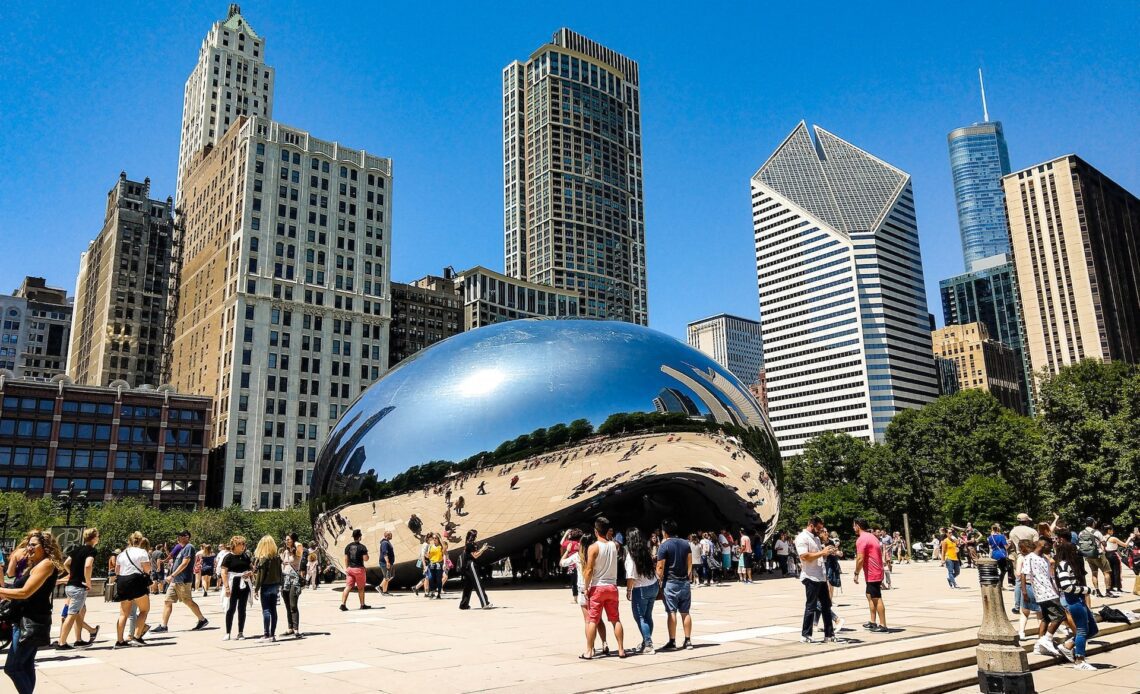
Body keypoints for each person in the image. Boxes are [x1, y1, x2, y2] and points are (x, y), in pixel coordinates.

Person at [0, 530, 63, 694]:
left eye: (34, 544)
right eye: (28, 544)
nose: (29, 548)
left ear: (46, 546)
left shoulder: (47, 564)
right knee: (25, 665)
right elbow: (18, 588)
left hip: (31, 622)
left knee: (13, 668)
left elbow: (25, 592)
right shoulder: (35, 565)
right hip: (24, 620)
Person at [581, 516, 625, 659]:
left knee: (593, 619)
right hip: (612, 586)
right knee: (615, 619)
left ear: (595, 531)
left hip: (598, 587)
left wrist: (586, 587)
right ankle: (621, 649)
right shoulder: (615, 546)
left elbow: (588, 570)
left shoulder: (593, 548)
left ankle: (589, 650)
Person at [1054, 536, 1098, 670]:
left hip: (1078, 598)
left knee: (1092, 629)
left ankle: (1068, 645)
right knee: (1082, 630)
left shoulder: (1069, 564)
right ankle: (1079, 660)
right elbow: (1066, 586)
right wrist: (1087, 590)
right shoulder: (1063, 565)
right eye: (1074, 551)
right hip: (1073, 599)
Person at [153, 530, 208, 633]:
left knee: (188, 601)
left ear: (187, 537)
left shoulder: (189, 547)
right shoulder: (182, 549)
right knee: (167, 601)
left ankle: (202, 620)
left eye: (181, 536)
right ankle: (164, 626)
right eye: (178, 535)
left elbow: (185, 563)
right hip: (176, 580)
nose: (179, 537)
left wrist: (172, 575)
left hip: (183, 580)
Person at [796, 516, 838, 644]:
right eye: (818, 528)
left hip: (820, 576)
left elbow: (820, 556)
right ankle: (806, 634)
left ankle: (829, 634)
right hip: (810, 576)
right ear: (811, 525)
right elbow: (804, 556)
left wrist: (829, 552)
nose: (820, 531)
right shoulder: (802, 538)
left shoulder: (815, 538)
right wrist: (822, 552)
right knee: (811, 606)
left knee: (826, 606)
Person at [57, 527, 100, 649]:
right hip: (79, 588)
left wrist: (72, 573)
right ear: (94, 538)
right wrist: (88, 582)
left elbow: (66, 563)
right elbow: (88, 566)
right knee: (72, 614)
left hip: (70, 585)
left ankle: (79, 639)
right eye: (97, 536)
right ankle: (62, 642)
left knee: (80, 613)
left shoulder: (76, 549)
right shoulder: (91, 550)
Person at [1023, 538, 1065, 656]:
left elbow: (1049, 576)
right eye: (1049, 547)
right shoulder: (1030, 558)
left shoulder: (1045, 559)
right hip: (1043, 592)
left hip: (1050, 590)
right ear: (1043, 545)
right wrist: (1024, 592)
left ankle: (1039, 645)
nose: (1050, 550)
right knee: (1060, 615)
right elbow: (1023, 574)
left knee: (1046, 618)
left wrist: (1055, 589)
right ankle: (1047, 638)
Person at [112, 531, 152, 648]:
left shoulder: (122, 554)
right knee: (144, 609)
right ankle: (137, 636)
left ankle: (119, 641)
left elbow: (117, 571)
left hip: (122, 582)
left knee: (123, 613)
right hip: (136, 581)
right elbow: (147, 569)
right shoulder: (142, 552)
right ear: (140, 541)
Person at [624, 528, 658, 654]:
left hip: (641, 589)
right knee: (648, 616)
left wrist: (628, 590)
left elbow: (631, 576)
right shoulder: (646, 551)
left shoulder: (631, 555)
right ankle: (646, 641)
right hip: (652, 585)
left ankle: (648, 644)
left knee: (640, 617)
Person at [853, 518, 887, 632]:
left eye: (854, 526)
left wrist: (856, 572)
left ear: (858, 526)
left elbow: (860, 558)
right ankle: (873, 622)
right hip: (875, 570)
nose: (853, 528)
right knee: (869, 595)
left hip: (873, 572)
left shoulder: (861, 539)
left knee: (876, 598)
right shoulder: (872, 536)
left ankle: (883, 625)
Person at [220, 535, 252, 640]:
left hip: (244, 584)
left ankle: (240, 632)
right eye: (241, 544)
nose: (243, 546)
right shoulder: (228, 557)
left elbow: (251, 569)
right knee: (231, 608)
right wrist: (227, 587)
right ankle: (228, 632)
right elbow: (224, 572)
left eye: (243, 544)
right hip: (233, 583)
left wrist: (250, 573)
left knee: (242, 609)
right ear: (234, 545)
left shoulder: (246, 556)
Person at [253, 535, 283, 642]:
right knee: (273, 610)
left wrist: (256, 589)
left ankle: (266, 634)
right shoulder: (277, 558)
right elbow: (280, 572)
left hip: (266, 586)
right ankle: (272, 634)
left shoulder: (263, 559)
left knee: (266, 610)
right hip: (275, 585)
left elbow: (260, 576)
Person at [458, 529, 492, 609]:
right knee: (478, 584)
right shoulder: (470, 544)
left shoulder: (469, 544)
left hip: (467, 566)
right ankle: (485, 603)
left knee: (468, 586)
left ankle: (463, 605)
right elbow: (475, 555)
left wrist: (483, 549)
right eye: (474, 535)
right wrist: (483, 549)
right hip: (471, 565)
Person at [339, 528, 371, 610]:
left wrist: (347, 568)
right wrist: (367, 555)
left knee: (348, 586)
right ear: (360, 537)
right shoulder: (362, 547)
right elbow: (365, 559)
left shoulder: (348, 546)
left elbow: (346, 559)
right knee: (360, 588)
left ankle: (343, 604)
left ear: (353, 537)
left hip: (350, 569)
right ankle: (362, 604)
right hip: (359, 569)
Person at [280, 532, 303, 637]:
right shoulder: (285, 552)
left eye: (289, 539)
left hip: (294, 580)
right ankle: (290, 628)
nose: (286, 541)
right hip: (285, 580)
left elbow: (299, 546)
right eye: (286, 539)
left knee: (293, 605)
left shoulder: (297, 551)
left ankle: (296, 629)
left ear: (293, 540)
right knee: (287, 605)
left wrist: (294, 543)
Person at [1103, 524, 1125, 597]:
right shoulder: (1113, 538)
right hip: (1114, 555)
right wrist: (1130, 538)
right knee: (1117, 571)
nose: (1113, 531)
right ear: (1109, 531)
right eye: (1112, 530)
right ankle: (1118, 587)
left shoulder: (1102, 538)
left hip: (1107, 555)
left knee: (1110, 571)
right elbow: (1125, 545)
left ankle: (1111, 586)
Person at [988, 524, 1010, 588]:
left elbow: (990, 547)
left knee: (995, 570)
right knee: (1003, 570)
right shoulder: (1001, 536)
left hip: (994, 554)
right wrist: (1010, 544)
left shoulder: (990, 537)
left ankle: (995, 583)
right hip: (1001, 554)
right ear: (998, 529)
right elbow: (1006, 547)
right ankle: (1000, 584)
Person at [378, 530, 395, 595]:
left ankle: (384, 591)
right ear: (387, 536)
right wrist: (387, 562)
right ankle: (380, 587)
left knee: (389, 576)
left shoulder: (387, 542)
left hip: (389, 562)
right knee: (387, 577)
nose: (391, 536)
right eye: (390, 535)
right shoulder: (384, 543)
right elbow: (385, 553)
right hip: (384, 563)